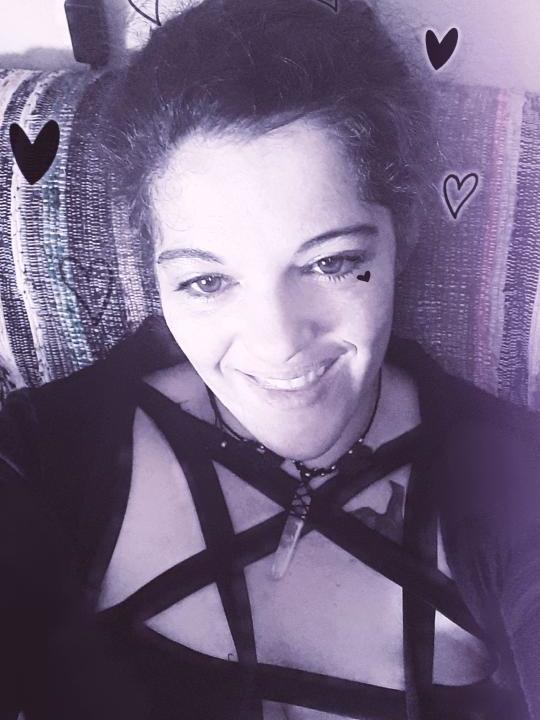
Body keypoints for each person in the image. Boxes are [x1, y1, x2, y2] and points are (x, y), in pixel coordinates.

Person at [1, 0, 540, 718]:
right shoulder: (38, 456)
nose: (278, 341)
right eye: (207, 281)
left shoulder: (516, 485)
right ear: (155, 273)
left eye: (329, 262)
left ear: (402, 233)